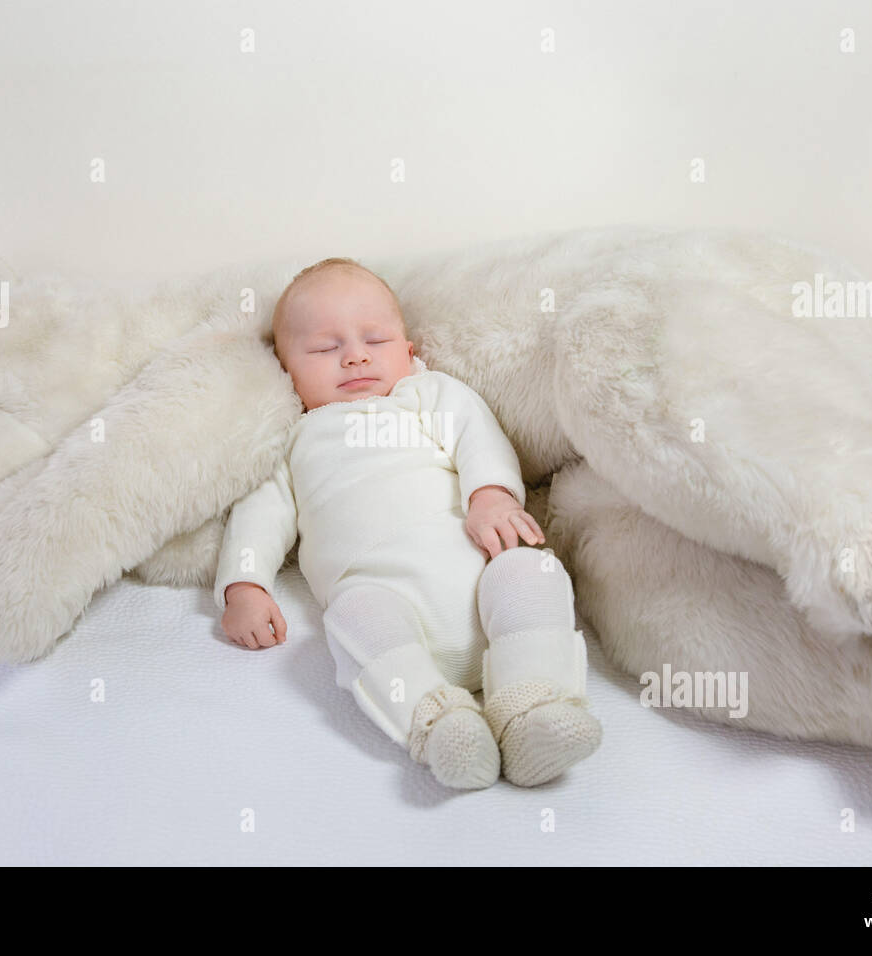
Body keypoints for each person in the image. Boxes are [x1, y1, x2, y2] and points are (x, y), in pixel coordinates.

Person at [213, 257, 601, 788]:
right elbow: (260, 514)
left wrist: (490, 495)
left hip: (481, 577)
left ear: (408, 351)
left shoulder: (427, 394)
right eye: (326, 349)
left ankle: (531, 705)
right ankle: (437, 721)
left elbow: (477, 436)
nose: (354, 357)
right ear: (286, 370)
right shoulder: (295, 439)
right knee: (354, 614)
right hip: (386, 603)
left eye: (374, 340)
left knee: (531, 572)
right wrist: (244, 586)